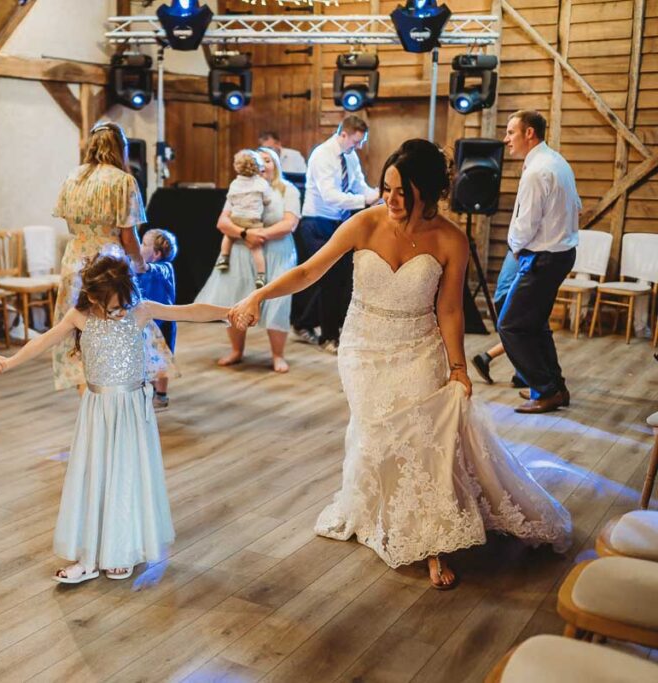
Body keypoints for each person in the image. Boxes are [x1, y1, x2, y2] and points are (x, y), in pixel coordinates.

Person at [229, 139, 572, 589]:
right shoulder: (363, 224)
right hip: (363, 347)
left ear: (428, 194)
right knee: (377, 434)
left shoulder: (451, 240)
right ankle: (386, 512)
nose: (390, 200)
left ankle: (432, 542)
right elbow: (310, 271)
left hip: (419, 344)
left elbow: (449, 310)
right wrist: (258, 294)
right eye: (386, 189)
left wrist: (458, 368)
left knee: (426, 440)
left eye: (402, 194)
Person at [0, 256, 228, 583]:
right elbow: (42, 341)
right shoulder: (80, 316)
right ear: (90, 295)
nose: (111, 312)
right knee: (94, 476)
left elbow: (189, 311)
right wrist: (10, 362)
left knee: (125, 475)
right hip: (97, 409)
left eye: (116, 306)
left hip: (130, 408)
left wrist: (230, 312)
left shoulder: (138, 311)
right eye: (104, 305)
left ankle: (122, 550)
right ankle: (88, 556)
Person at [52, 121, 175, 392]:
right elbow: (128, 237)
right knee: (117, 332)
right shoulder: (123, 181)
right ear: (121, 148)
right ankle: (119, 397)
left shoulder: (73, 177)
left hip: (74, 260)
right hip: (108, 262)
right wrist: (141, 265)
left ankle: (87, 396)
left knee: (80, 331)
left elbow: (69, 223)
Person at [498, 110, 580, 414]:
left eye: (511, 132)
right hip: (559, 254)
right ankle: (555, 387)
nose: (506, 139)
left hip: (543, 258)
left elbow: (525, 224)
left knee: (510, 326)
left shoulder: (537, 171)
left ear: (529, 133)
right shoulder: (556, 161)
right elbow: (577, 206)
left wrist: (515, 250)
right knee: (535, 325)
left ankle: (546, 390)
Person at [195, 147, 300, 373]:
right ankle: (236, 350)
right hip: (242, 252)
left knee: (277, 303)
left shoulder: (286, 189)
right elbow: (223, 222)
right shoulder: (241, 186)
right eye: (259, 161)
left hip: (276, 252)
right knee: (235, 300)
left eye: (267, 160)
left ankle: (277, 355)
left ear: (275, 164)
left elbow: (290, 223)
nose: (263, 165)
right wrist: (245, 234)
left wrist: (260, 235)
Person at [292, 116, 381, 353]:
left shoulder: (350, 156)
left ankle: (303, 323)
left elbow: (359, 185)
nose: (359, 146)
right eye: (356, 141)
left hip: (338, 223)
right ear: (343, 134)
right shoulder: (322, 155)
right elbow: (329, 195)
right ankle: (328, 338)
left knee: (341, 278)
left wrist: (378, 195)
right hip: (316, 222)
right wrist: (364, 200)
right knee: (329, 279)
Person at [215, 149, 275, 288]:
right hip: (253, 220)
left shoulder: (235, 184)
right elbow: (267, 199)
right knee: (255, 248)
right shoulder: (261, 183)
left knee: (228, 236)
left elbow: (231, 198)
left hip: (236, 217)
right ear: (258, 166)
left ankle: (224, 257)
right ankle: (261, 275)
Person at [470, 250, 527, 388]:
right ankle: (486, 358)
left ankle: (521, 375)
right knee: (525, 334)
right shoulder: (527, 249)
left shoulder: (516, 245)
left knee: (520, 335)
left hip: (503, 296)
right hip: (510, 296)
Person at [137, 229, 178, 411]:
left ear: (157, 254)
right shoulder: (142, 268)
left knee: (163, 357)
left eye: (144, 244)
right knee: (147, 356)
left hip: (164, 322)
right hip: (147, 322)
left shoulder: (163, 268)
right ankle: (151, 388)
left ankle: (161, 395)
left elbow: (150, 269)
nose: (139, 247)